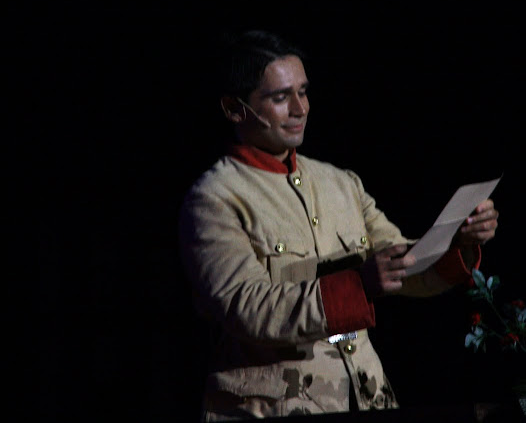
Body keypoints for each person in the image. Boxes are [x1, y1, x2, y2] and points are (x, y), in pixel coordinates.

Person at [178, 30, 499, 420]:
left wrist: (456, 241)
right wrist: (358, 286)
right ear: (234, 109)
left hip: (366, 396)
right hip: (273, 407)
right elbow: (245, 307)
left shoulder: (340, 183)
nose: (300, 108)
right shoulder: (214, 199)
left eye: (303, 92)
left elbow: (403, 265)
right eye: (280, 97)